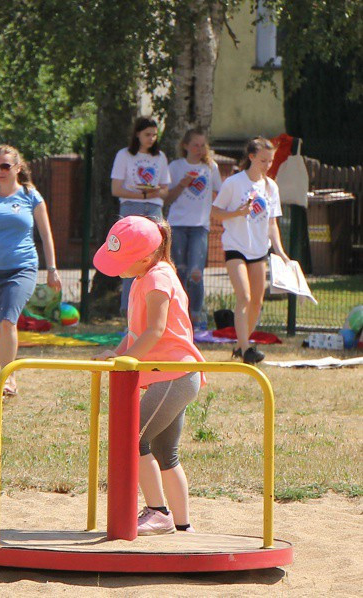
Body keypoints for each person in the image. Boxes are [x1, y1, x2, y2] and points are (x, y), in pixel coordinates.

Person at [92, 215, 205, 535]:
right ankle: (183, 526)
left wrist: (126, 360)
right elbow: (135, 332)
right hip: (172, 376)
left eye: (121, 262)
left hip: (174, 376)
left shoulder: (157, 278)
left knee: (131, 439)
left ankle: (158, 512)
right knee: (165, 452)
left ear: (145, 257)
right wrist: (117, 353)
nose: (118, 269)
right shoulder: (146, 277)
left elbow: (154, 331)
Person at [0, 145, 63, 397]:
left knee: (8, 320)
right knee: (0, 326)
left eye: (5, 166)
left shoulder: (31, 195)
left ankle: (8, 379)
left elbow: (46, 234)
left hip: (22, 268)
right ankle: (8, 374)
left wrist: (52, 268)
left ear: (18, 168)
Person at [211, 137, 289, 364]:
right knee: (244, 296)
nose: (268, 165)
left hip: (258, 249)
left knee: (256, 301)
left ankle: (239, 344)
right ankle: (246, 349)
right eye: (263, 160)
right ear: (252, 157)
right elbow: (216, 212)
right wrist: (237, 213)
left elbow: (272, 223)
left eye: (271, 161)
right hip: (235, 246)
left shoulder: (270, 187)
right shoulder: (234, 183)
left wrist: (280, 252)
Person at [111, 117, 171, 314]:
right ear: (137, 134)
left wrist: (153, 193)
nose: (151, 138)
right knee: (130, 259)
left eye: (154, 135)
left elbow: (164, 189)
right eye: (147, 134)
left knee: (153, 258)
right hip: (131, 207)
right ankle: (128, 309)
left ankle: (153, 306)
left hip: (153, 208)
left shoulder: (160, 157)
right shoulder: (125, 155)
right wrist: (142, 194)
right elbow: (116, 189)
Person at [164, 129, 222, 329]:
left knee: (196, 273)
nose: (199, 149)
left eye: (202, 145)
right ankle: (176, 318)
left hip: (200, 227)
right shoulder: (176, 166)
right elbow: (167, 198)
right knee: (178, 272)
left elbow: (220, 193)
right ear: (186, 146)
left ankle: (197, 318)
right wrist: (182, 185)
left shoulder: (210, 167)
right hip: (178, 225)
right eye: (195, 145)